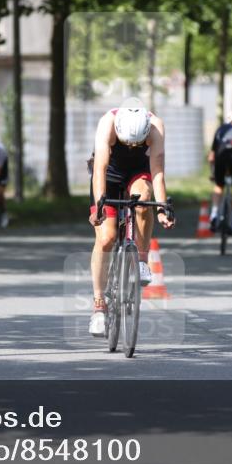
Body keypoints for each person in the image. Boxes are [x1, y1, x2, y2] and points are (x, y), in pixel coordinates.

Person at [88, 101, 175, 337]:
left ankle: (142, 260)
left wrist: (161, 208)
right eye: (129, 143)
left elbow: (157, 173)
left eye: (138, 143)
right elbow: (99, 170)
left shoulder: (156, 126)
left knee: (145, 198)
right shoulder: (107, 123)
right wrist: (99, 206)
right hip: (110, 174)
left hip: (139, 171)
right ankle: (98, 305)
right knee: (106, 238)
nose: (133, 146)